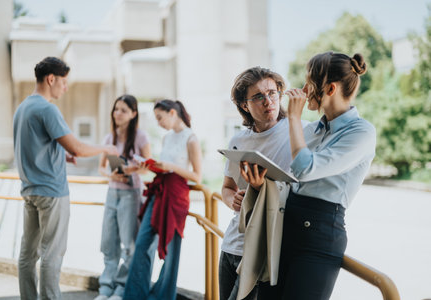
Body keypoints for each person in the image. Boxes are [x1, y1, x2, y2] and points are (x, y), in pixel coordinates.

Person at [241, 52, 376, 300]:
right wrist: (259, 185)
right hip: (286, 226)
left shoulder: (362, 132)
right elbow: (292, 177)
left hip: (320, 235)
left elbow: (305, 169)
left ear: (331, 88)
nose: (303, 89)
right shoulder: (314, 129)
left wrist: (292, 116)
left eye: (309, 83)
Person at [13, 56, 119, 300]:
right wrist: (106, 149)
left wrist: (60, 155)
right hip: (51, 192)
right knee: (52, 253)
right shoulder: (47, 108)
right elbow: (78, 149)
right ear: (51, 79)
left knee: (27, 254)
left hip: (30, 190)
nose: (66, 86)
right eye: (64, 81)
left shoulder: (23, 108)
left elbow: (35, 146)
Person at [219, 67, 308, 300]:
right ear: (244, 105)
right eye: (258, 96)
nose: (268, 101)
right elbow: (227, 188)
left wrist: (261, 189)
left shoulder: (299, 131)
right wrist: (233, 200)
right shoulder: (238, 139)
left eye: (272, 93)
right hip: (230, 246)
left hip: (262, 250)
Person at [122, 99, 202, 300]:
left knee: (172, 250)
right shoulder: (167, 138)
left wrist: (169, 167)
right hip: (160, 191)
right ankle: (134, 296)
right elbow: (166, 165)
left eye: (160, 117)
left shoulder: (191, 138)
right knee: (142, 242)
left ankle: (163, 296)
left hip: (176, 196)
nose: (158, 122)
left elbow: (197, 176)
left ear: (173, 113)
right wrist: (155, 166)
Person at [95, 95, 151, 300]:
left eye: (123, 110)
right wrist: (111, 174)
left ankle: (120, 289)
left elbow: (147, 168)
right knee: (108, 243)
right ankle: (105, 289)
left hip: (131, 193)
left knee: (129, 245)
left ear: (133, 114)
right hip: (112, 192)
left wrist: (130, 170)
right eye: (116, 109)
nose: (118, 113)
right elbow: (101, 167)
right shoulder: (109, 138)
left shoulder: (141, 137)